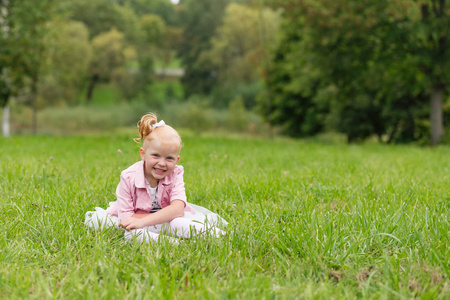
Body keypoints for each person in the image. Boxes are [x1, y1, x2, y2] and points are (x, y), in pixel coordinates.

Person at [84, 113, 227, 243]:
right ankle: (176, 244)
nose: (162, 163)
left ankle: (221, 236)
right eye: (156, 155)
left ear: (177, 160)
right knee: (127, 232)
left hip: (167, 221)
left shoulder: (176, 173)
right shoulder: (128, 177)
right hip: (139, 224)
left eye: (169, 158)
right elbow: (127, 219)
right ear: (143, 154)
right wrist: (143, 223)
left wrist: (147, 220)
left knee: (180, 223)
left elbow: (177, 209)